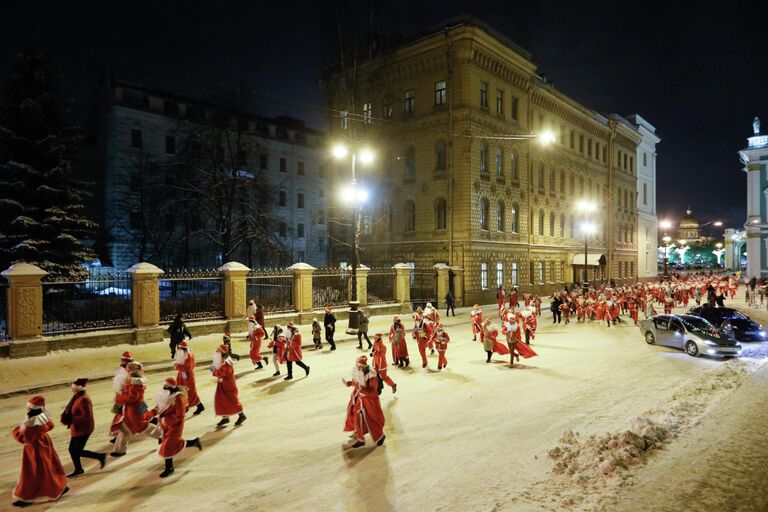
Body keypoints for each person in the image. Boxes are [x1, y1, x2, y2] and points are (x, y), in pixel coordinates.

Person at [12, 396, 69, 507]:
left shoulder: (32, 423)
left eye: (28, 408)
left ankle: (26, 497)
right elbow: (50, 426)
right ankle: (60, 487)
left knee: (32, 472)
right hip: (44, 443)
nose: (27, 409)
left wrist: (15, 432)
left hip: (34, 449)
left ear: (32, 409)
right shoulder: (42, 416)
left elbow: (25, 439)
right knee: (48, 468)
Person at [150, 378, 202, 478]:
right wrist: (150, 414)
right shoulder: (166, 395)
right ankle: (194, 442)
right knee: (173, 444)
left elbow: (180, 415)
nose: (164, 387)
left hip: (175, 425)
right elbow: (159, 407)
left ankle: (169, 468)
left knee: (168, 446)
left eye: (166, 385)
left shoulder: (178, 398)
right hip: (165, 425)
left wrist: (166, 420)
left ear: (171, 387)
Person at [60, 378, 106, 477]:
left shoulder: (84, 399)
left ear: (78, 388)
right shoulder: (77, 397)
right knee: (74, 450)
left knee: (75, 450)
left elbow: (86, 416)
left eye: (73, 388)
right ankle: (80, 468)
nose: (72, 389)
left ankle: (97, 457)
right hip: (77, 428)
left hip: (83, 429)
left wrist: (71, 419)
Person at [110, 362, 154, 456]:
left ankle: (161, 435)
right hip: (133, 408)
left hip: (134, 409)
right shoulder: (131, 380)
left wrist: (119, 398)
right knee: (124, 428)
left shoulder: (135, 382)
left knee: (142, 426)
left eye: (129, 368)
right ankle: (119, 450)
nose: (127, 369)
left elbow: (132, 397)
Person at [343, 356, 386, 448]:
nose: (358, 367)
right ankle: (360, 438)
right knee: (356, 416)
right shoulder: (358, 372)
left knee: (372, 419)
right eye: (357, 365)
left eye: (360, 366)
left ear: (364, 366)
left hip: (370, 402)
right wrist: (349, 383)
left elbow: (373, 392)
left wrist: (362, 391)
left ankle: (380, 436)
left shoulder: (371, 375)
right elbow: (356, 383)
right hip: (360, 399)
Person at [211, 344, 247, 427]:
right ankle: (225, 417)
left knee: (233, 401)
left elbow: (222, 372)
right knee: (220, 400)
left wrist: (214, 371)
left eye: (218, 350)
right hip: (222, 384)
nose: (216, 351)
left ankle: (242, 415)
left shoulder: (227, 363)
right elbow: (216, 370)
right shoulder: (221, 360)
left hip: (228, 385)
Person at [175, 340, 204, 415]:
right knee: (182, 391)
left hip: (188, 377)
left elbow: (187, 367)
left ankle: (194, 406)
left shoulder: (189, 356)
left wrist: (177, 366)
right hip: (182, 376)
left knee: (190, 393)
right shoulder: (184, 354)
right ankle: (187, 406)